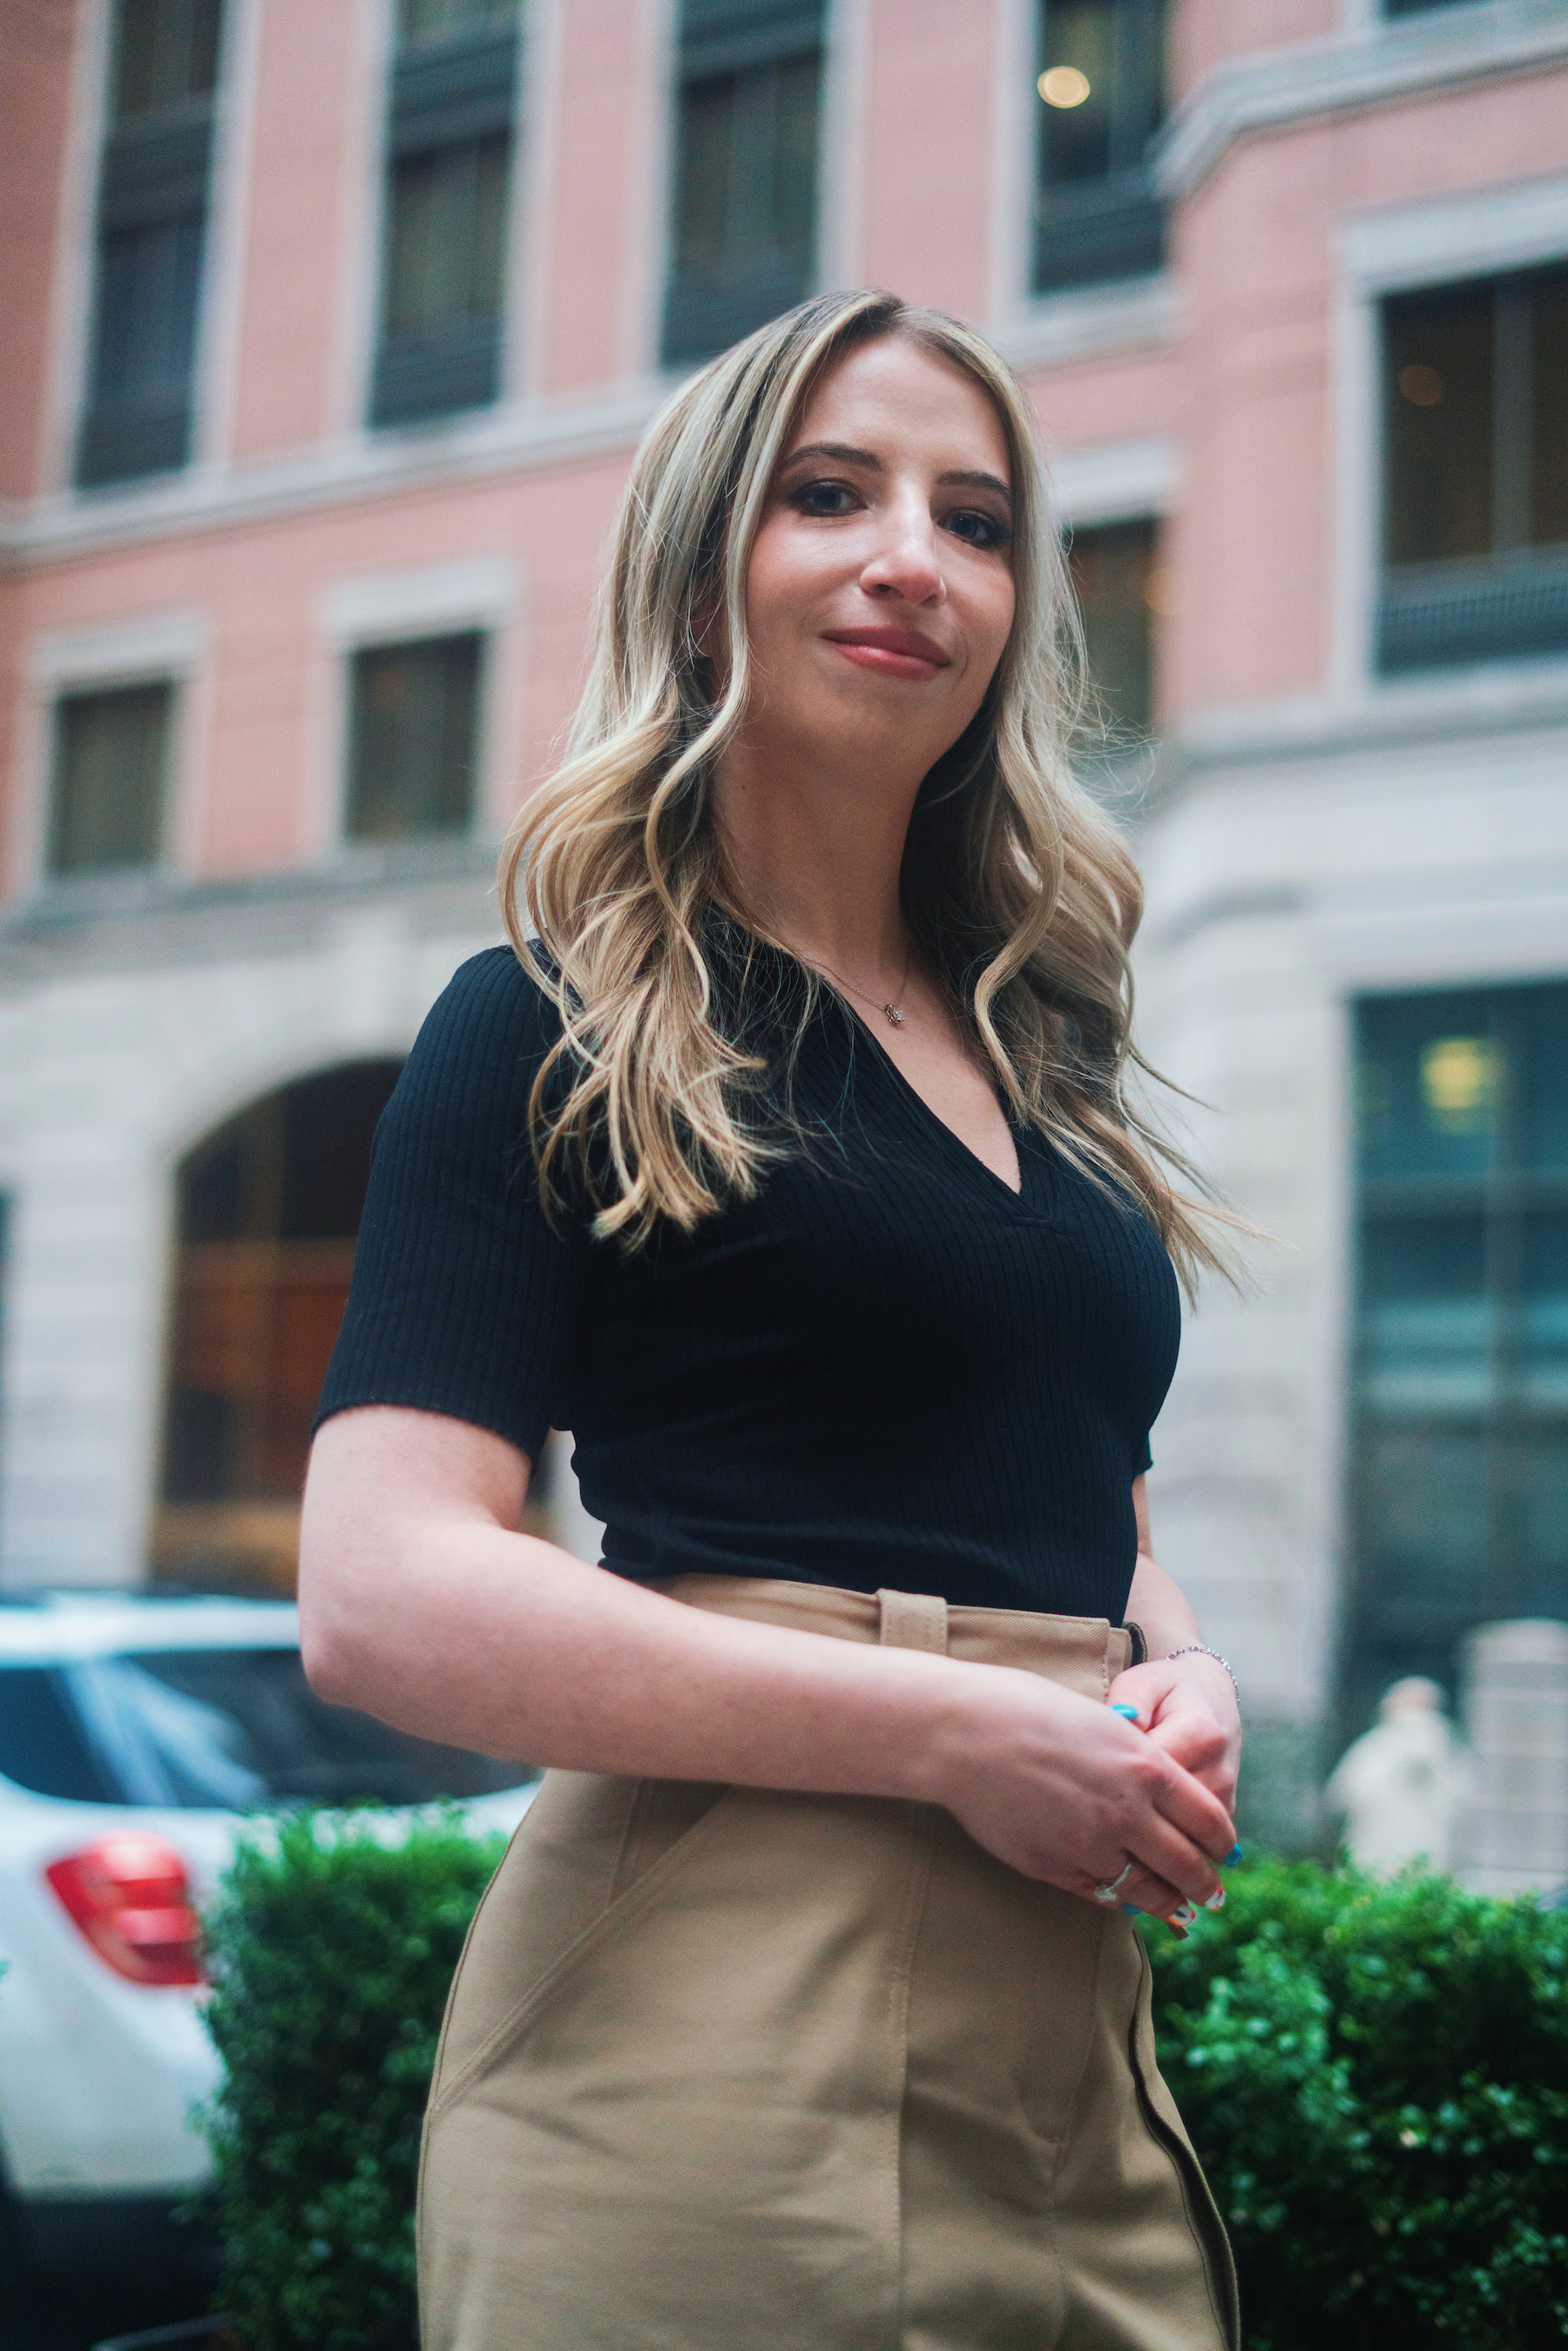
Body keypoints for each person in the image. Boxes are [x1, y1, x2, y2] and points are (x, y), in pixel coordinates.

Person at [301, 287, 1245, 2351]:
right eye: (834, 493)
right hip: (706, 2018)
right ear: (706, 577)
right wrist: (954, 1730)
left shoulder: (1045, 1052)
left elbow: (1091, 1489)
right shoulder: (544, 1021)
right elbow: (381, 1594)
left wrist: (1171, 1668)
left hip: (1074, 2030)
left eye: (977, 518)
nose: (917, 554)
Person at [1326, 1676, 1471, 1875]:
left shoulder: (1375, 1745)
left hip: (1372, 1863)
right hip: (1428, 1867)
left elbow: (1339, 1797)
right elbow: (1466, 1806)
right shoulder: (1452, 1752)